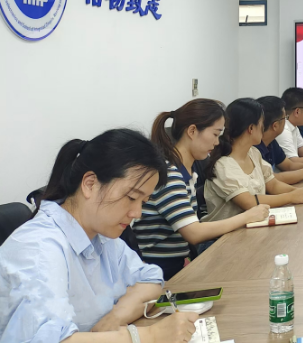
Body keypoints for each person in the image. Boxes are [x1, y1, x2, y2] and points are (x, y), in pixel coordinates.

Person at [0, 129, 200, 342]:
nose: (137, 213)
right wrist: (149, 336)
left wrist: (116, 317)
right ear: (90, 184)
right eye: (131, 197)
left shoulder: (102, 238)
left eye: (143, 202)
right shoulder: (39, 248)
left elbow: (151, 279)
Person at [135, 99, 272, 280]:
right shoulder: (170, 175)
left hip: (176, 265)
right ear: (192, 131)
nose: (216, 142)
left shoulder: (186, 172)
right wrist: (248, 216)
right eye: (215, 134)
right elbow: (194, 233)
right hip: (159, 274)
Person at [204, 98, 303, 223]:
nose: (264, 127)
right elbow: (249, 202)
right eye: (262, 123)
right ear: (251, 128)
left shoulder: (253, 153)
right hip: (228, 233)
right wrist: (290, 197)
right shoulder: (223, 165)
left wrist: (298, 192)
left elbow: (273, 185)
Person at [256, 96, 303, 185]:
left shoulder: (271, 142)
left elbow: (289, 165)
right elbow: (269, 180)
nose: (286, 121)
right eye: (285, 118)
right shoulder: (255, 148)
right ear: (275, 126)